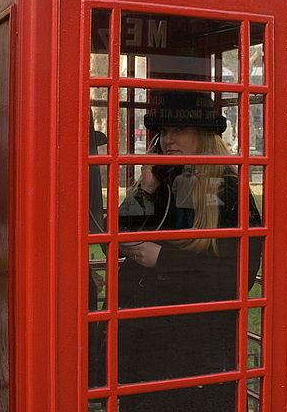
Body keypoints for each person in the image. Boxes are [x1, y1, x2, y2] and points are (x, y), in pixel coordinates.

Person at [117, 91, 262, 412]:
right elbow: (110, 240)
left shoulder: (229, 191)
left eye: (178, 130)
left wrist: (161, 259)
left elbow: (235, 276)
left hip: (196, 351)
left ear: (205, 135)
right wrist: (145, 188)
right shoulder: (162, 181)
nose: (167, 139)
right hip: (143, 346)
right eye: (163, 132)